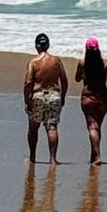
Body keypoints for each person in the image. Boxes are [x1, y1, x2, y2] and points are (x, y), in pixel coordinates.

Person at [74, 37, 107, 165]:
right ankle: (94, 155)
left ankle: (97, 156)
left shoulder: (82, 63)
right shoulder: (105, 64)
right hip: (102, 98)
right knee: (97, 127)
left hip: (88, 97)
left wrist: (83, 74)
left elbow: (77, 79)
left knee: (92, 127)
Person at [23, 32, 68, 164]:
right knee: (52, 127)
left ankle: (32, 157)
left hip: (38, 95)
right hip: (54, 95)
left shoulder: (33, 62)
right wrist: (63, 96)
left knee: (33, 128)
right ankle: (53, 159)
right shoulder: (57, 61)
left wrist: (27, 100)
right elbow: (64, 80)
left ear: (37, 46)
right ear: (48, 45)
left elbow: (28, 82)